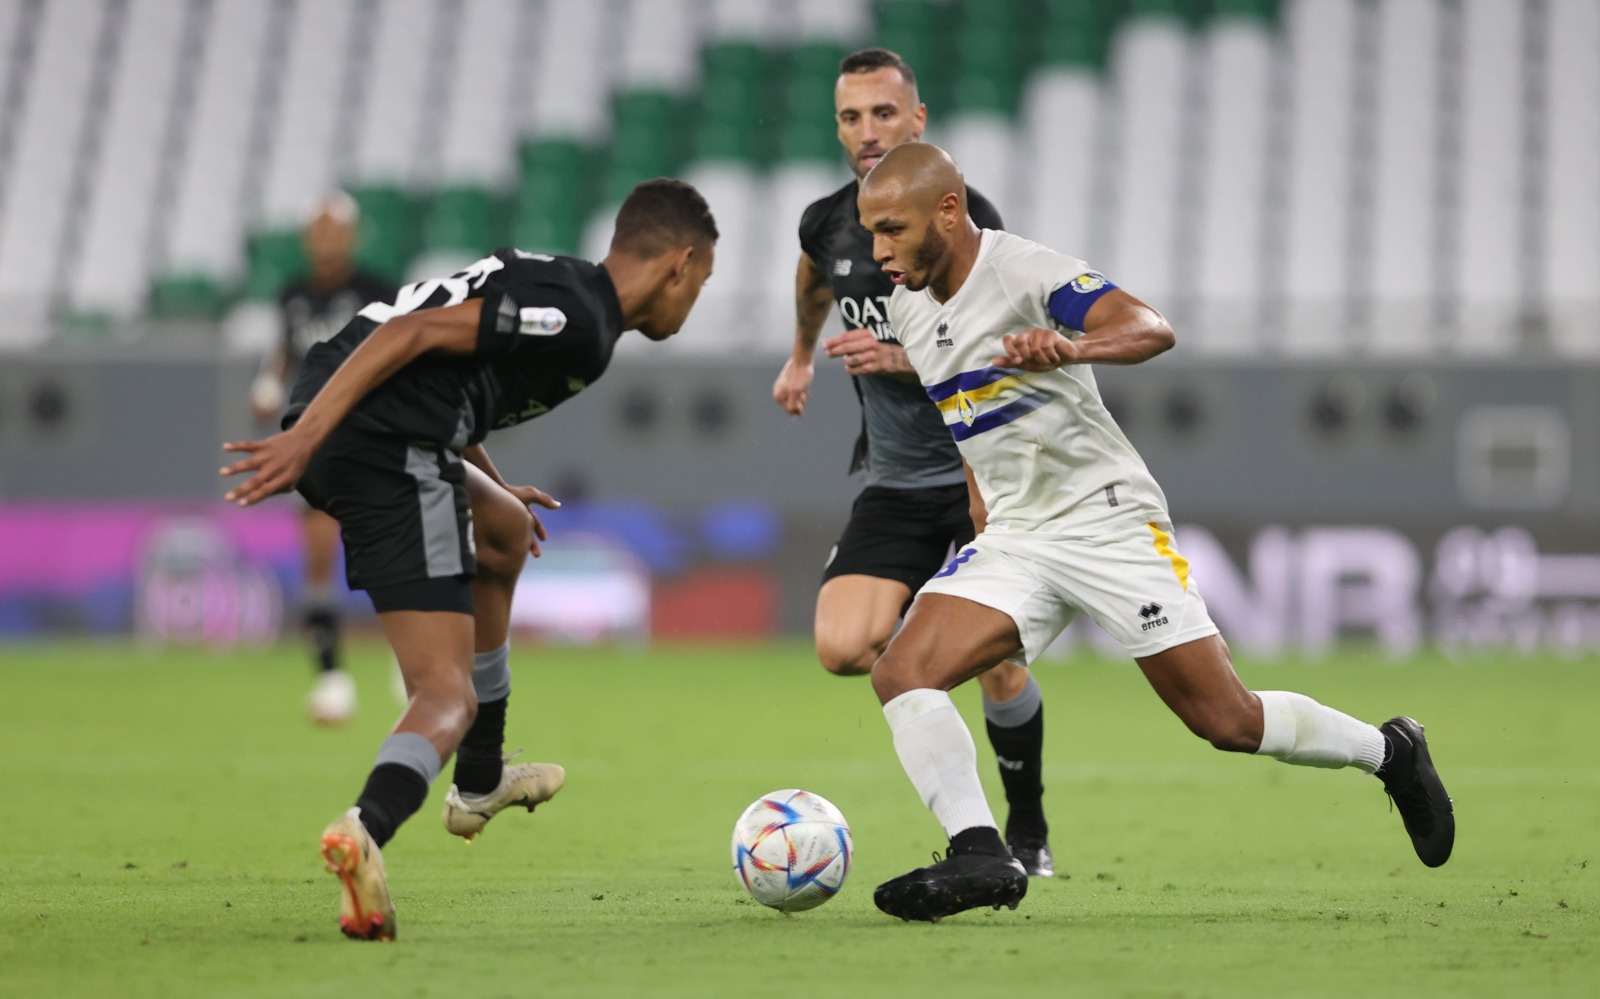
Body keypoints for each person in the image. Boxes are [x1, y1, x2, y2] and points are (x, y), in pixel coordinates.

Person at [854, 143, 1455, 923]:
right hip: (1020, 536)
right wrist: (983, 526)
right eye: (871, 232)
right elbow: (971, 422)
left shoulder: (1025, 273)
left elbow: (1150, 326)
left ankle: (1392, 750)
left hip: (1107, 521)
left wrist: (1074, 345)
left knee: (1226, 720)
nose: (878, 252)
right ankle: (981, 851)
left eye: (891, 229)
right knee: (903, 671)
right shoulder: (907, 303)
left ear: (946, 210)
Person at [220, 179, 719, 940]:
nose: (694, 304)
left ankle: (479, 781)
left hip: (375, 421)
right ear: (680, 265)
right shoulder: (580, 320)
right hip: (378, 437)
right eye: (703, 283)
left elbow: (448, 367)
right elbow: (409, 339)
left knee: (507, 526)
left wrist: (482, 471)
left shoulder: (566, 284)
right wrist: (307, 434)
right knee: (443, 698)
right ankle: (365, 827)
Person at [771, 47, 1053, 876]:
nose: (868, 131)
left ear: (918, 119)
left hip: (981, 477)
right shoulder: (828, 220)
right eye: (852, 117)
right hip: (894, 483)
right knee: (839, 644)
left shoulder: (963, 215)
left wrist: (906, 358)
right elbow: (814, 274)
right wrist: (798, 353)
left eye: (884, 113)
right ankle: (935, 652)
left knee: (997, 664)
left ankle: (1026, 830)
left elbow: (1010, 344)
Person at [249, 192, 397, 725]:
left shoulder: (377, 291)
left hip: (370, 435)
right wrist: (268, 383)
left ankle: (407, 662)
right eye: (316, 229)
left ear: (351, 235)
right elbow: (285, 351)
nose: (324, 239)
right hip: (313, 438)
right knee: (317, 556)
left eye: (333, 229)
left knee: (388, 553)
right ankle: (331, 677)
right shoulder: (293, 294)